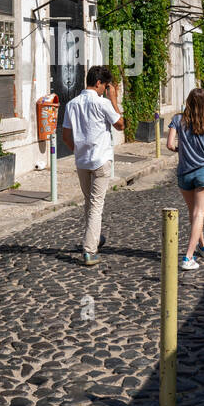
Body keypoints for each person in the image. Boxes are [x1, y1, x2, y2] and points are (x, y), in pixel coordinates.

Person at [62, 65, 124, 266]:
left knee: (90, 203)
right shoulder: (103, 103)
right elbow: (121, 124)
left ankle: (94, 238)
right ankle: (89, 250)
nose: (105, 89)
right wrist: (114, 100)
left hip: (82, 162)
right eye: (105, 86)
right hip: (100, 161)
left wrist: (78, 150)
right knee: (96, 206)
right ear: (99, 83)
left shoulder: (72, 104)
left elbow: (65, 136)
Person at [167, 87, 204, 270]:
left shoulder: (177, 120)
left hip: (184, 172)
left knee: (193, 213)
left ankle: (203, 246)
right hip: (203, 172)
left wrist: (180, 150)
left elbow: (169, 145)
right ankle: (188, 257)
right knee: (199, 214)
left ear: (188, 102)